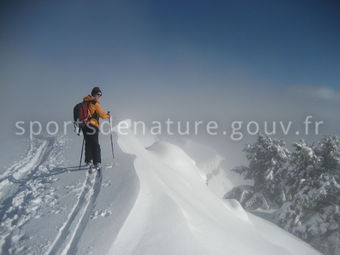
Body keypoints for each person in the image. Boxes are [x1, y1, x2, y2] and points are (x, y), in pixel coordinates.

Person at [82, 87, 110, 170]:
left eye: (100, 95)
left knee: (88, 143)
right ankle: (97, 162)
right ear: (94, 94)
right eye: (98, 94)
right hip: (93, 125)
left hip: (84, 125)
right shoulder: (95, 103)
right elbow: (102, 115)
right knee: (95, 144)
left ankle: (88, 161)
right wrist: (108, 115)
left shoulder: (85, 101)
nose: (99, 96)